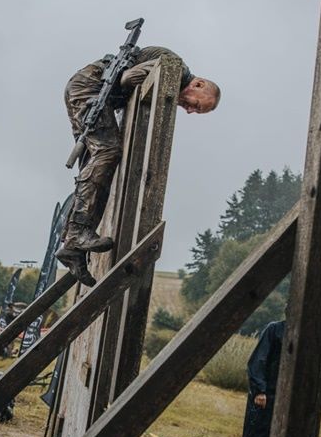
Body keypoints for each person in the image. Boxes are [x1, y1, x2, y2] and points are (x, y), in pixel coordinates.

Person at [56, 46, 221, 285]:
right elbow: (127, 77)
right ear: (199, 84)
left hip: (85, 88)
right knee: (108, 152)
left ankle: (73, 248)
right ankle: (77, 234)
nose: (190, 110)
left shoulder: (175, 73)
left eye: (195, 110)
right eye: (197, 105)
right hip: (89, 89)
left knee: (97, 167)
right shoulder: (176, 68)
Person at [238, 320, 285, 437]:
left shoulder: (305, 335)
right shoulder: (274, 329)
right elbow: (258, 360)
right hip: (265, 398)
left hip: (284, 400)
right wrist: (260, 390)